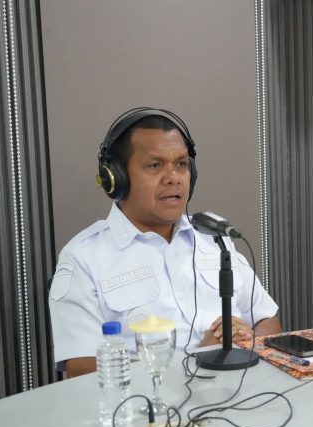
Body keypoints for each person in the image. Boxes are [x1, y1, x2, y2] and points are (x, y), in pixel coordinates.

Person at [49, 108, 281, 377]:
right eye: (155, 165)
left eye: (181, 164)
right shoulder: (84, 257)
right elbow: (80, 369)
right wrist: (198, 359)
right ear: (117, 178)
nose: (173, 177)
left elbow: (267, 318)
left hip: (243, 394)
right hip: (152, 403)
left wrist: (247, 340)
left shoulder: (214, 235)